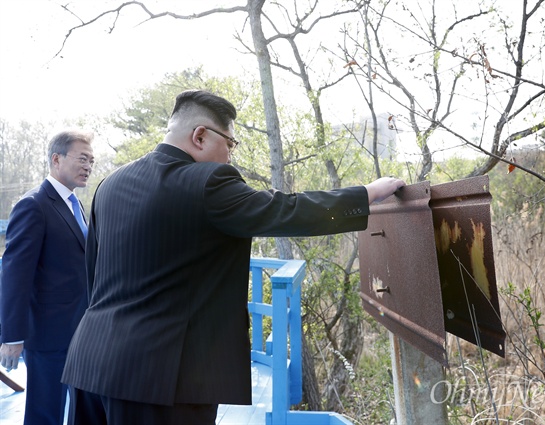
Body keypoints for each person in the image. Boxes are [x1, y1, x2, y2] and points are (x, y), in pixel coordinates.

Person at [61, 89, 404, 425]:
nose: (230, 156)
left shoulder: (110, 184)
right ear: (200, 136)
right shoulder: (208, 182)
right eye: (230, 143)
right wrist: (366, 194)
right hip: (162, 380)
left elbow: (94, 274)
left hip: (91, 362)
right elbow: (285, 211)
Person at [0, 130, 94, 425]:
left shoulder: (76, 204)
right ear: (56, 159)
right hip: (48, 333)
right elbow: (15, 275)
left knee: (80, 408)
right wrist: (12, 336)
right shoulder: (33, 204)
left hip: (81, 329)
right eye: (82, 158)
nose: (88, 166)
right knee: (45, 412)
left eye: (91, 160)